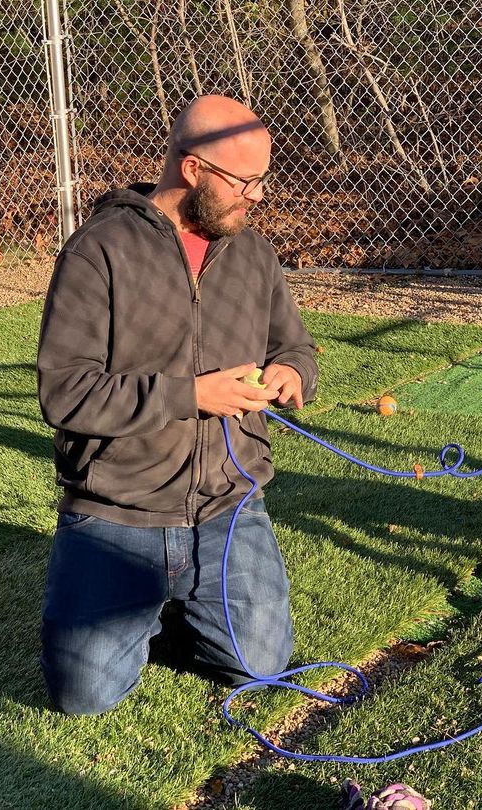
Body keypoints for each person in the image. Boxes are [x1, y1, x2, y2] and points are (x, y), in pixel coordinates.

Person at [36, 95, 318, 715]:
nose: (258, 196)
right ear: (193, 171)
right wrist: (190, 395)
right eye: (246, 182)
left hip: (227, 503)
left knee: (261, 666)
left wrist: (293, 370)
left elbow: (294, 344)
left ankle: (176, 600)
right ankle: (122, 600)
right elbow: (64, 392)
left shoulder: (253, 254)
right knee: (83, 696)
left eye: (263, 180)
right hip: (121, 508)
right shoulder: (98, 251)